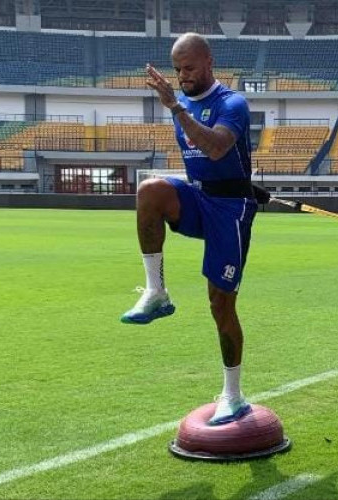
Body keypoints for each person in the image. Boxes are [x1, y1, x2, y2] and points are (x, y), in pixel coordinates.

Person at [120, 33, 258, 425]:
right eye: (178, 70)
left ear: (209, 62)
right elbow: (204, 165)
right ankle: (156, 291)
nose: (183, 76)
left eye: (190, 68)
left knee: (220, 303)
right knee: (150, 191)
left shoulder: (232, 102)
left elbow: (216, 148)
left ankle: (233, 395)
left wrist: (177, 109)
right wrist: (178, 107)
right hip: (200, 199)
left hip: (231, 210)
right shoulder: (180, 103)